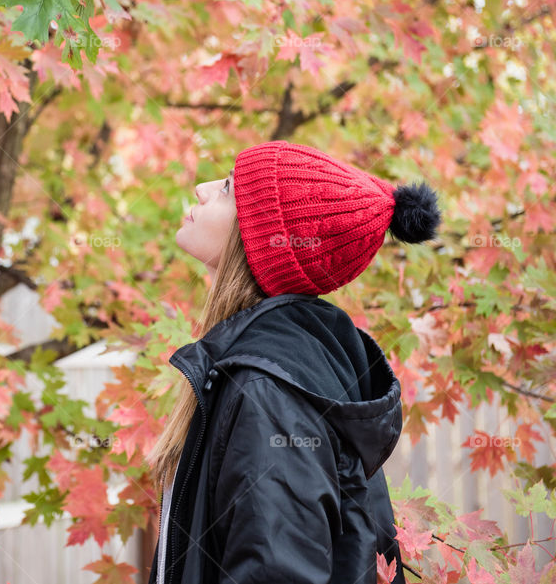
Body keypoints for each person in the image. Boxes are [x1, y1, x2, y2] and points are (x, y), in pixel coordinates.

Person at [146, 140, 441, 584]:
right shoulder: (277, 366)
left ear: (262, 240)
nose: (203, 189)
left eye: (227, 188)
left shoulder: (268, 392)